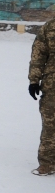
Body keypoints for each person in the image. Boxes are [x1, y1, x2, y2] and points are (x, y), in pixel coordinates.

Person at [29, 15, 55, 176]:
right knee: (50, 125)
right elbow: (38, 55)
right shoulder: (50, 27)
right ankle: (47, 163)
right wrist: (34, 80)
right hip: (52, 86)